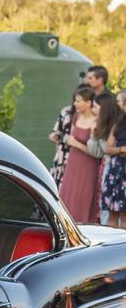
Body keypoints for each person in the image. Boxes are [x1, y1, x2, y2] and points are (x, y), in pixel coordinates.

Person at [60, 86, 99, 223]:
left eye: (78, 101)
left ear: (88, 103)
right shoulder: (76, 116)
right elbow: (69, 138)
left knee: (83, 195)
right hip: (72, 162)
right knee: (68, 193)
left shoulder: (96, 121)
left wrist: (76, 144)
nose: (75, 103)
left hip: (88, 165)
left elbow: (97, 152)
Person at [86, 93, 121, 222]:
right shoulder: (101, 125)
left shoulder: (118, 126)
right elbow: (96, 152)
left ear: (104, 108)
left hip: (117, 170)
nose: (93, 110)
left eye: (95, 106)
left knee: (115, 208)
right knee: (106, 206)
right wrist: (93, 134)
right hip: (105, 168)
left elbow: (109, 150)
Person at [48, 86, 83, 187]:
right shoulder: (66, 111)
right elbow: (55, 131)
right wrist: (54, 136)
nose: (76, 103)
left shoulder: (90, 116)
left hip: (78, 157)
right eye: (75, 99)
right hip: (61, 155)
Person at [101, 106, 126, 228]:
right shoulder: (118, 125)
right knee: (113, 214)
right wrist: (121, 149)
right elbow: (108, 148)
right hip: (117, 172)